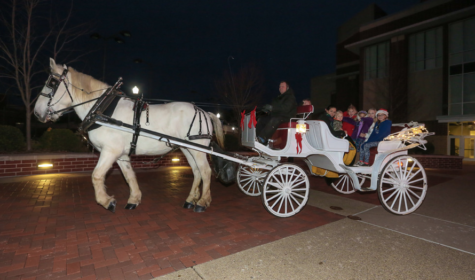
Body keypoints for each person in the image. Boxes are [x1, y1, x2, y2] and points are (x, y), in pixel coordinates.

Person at [256, 81, 297, 145]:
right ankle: (259, 139)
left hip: (287, 117)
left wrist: (272, 108)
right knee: (261, 120)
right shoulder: (278, 98)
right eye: (280, 86)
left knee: (275, 120)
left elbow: (286, 109)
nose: (280, 88)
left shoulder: (290, 97)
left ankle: (262, 138)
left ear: (287, 88)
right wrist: (268, 109)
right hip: (278, 116)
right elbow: (274, 108)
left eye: (283, 86)